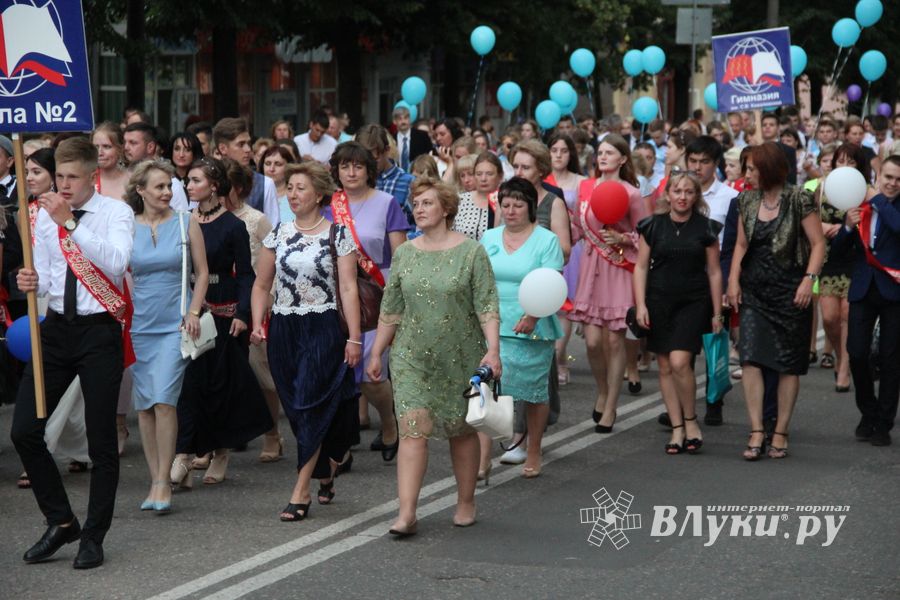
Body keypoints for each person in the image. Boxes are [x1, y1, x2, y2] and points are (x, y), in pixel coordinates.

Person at [11, 137, 135, 569]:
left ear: (91, 176)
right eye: (58, 176)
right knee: (24, 430)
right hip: (57, 331)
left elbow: (116, 264)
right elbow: (46, 280)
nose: (62, 185)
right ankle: (62, 521)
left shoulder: (115, 212)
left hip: (99, 332)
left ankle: (94, 536)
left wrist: (71, 225)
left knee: (101, 443)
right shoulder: (42, 216)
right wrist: (30, 283)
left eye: (71, 177)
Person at [366, 177, 500, 535]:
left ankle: (466, 501)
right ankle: (407, 513)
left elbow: (486, 304)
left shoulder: (472, 252)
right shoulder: (405, 253)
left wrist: (493, 350)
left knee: (461, 429)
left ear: (446, 209)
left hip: (460, 354)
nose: (419, 210)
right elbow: (391, 309)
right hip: (411, 356)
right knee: (413, 428)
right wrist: (377, 351)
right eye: (417, 204)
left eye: (427, 203)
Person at [250, 161, 361, 521]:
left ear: (318, 194)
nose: (293, 194)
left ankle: (301, 491)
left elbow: (348, 288)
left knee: (311, 403)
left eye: (300, 188)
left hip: (323, 326)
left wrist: (355, 339)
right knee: (295, 408)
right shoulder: (278, 233)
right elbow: (261, 285)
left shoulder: (337, 234)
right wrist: (257, 323)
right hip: (283, 328)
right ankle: (325, 469)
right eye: (290, 188)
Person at [172, 157, 272, 485]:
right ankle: (187, 452)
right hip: (193, 307)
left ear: (213, 186)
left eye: (196, 180)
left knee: (222, 386)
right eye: (188, 181)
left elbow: (246, 274)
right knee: (193, 384)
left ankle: (220, 452)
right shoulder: (183, 221)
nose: (189, 186)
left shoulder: (233, 226)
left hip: (226, 309)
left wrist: (243, 315)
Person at [727, 142, 826, 460]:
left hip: (791, 290)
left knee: (787, 365)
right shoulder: (745, 199)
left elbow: (818, 244)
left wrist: (808, 282)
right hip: (755, 290)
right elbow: (741, 244)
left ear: (769, 169)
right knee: (750, 359)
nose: (747, 174)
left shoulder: (799, 198)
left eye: (752, 169)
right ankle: (757, 429)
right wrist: (732, 282)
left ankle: (780, 431)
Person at [125, 160, 208, 511]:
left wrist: (193, 311)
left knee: (164, 399)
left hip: (176, 323)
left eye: (168, 186)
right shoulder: (128, 226)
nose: (166, 192)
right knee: (144, 405)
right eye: (158, 186)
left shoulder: (186, 221)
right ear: (140, 190)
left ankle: (163, 481)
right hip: (140, 324)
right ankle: (155, 475)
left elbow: (203, 273)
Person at [323, 142, 409, 460]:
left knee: (372, 373)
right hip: (336, 293)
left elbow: (401, 256)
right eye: (345, 166)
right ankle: (342, 447)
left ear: (369, 170)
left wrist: (399, 299)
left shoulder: (387, 203)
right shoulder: (328, 206)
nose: (351, 172)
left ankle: (389, 422)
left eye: (358, 166)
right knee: (339, 372)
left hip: (376, 295)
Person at [634, 172, 723, 454]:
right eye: (677, 191)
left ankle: (691, 420)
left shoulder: (707, 228)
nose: (682, 196)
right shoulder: (652, 226)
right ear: (668, 194)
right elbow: (640, 267)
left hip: (693, 302)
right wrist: (640, 305)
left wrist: (718, 312)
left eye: (688, 192)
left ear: (696, 196)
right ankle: (676, 428)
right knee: (663, 366)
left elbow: (714, 270)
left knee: (680, 362)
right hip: (658, 300)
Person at [481, 177, 563, 476]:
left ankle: (533, 449)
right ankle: (482, 457)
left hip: (532, 327)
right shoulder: (489, 238)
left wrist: (533, 315)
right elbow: (479, 280)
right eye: (506, 205)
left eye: (518, 204)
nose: (511, 210)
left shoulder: (546, 240)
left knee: (532, 393)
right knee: (486, 391)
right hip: (491, 324)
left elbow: (552, 283)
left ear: (531, 207)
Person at [569, 134, 650, 433]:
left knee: (615, 340)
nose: (602, 157)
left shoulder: (631, 193)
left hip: (618, 267)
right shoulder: (585, 187)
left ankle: (612, 404)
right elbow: (579, 226)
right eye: (600, 152)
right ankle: (602, 389)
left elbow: (643, 235)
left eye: (610, 153)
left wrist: (623, 237)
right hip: (592, 267)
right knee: (591, 342)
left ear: (623, 159)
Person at [831, 155, 900, 446]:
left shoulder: (885, 204)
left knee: (891, 359)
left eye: (898, 179)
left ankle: (884, 422)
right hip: (862, 287)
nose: (892, 183)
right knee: (856, 353)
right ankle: (867, 411)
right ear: (877, 177)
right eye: (887, 177)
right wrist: (847, 226)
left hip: (894, 290)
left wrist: (880, 201)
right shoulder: (858, 203)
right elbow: (837, 252)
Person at [223, 159, 282, 462]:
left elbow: (275, 260)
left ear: (241, 189)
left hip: (256, 304)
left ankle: (272, 433)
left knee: (262, 373)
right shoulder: (204, 219)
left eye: (226, 185)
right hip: (221, 304)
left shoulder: (256, 219)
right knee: (223, 374)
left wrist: (267, 301)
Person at [817, 143, 875, 393]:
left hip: (858, 258)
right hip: (831, 258)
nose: (845, 167)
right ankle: (842, 355)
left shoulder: (869, 193)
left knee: (847, 314)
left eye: (851, 162)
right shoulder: (822, 189)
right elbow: (809, 220)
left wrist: (851, 227)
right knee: (829, 317)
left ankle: (844, 369)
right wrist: (824, 227)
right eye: (841, 161)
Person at [546, 133, 586, 386]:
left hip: (571, 246)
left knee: (565, 307)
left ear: (571, 154)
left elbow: (585, 216)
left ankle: (560, 359)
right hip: (544, 245)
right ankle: (548, 359)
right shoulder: (542, 181)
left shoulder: (581, 181)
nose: (559, 155)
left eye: (564, 150)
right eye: (554, 150)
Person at [212, 117, 280, 227]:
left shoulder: (265, 184)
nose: (248, 149)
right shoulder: (205, 180)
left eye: (249, 143)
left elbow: (274, 231)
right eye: (241, 144)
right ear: (223, 148)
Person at [357, 124, 415, 224]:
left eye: (375, 159)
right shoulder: (356, 179)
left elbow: (420, 226)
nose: (369, 164)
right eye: (363, 161)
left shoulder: (408, 182)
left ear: (387, 150)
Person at [124, 122, 189, 210]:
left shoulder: (172, 183)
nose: (126, 147)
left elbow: (182, 220)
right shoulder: (120, 178)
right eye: (124, 142)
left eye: (133, 143)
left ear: (150, 147)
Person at [453, 152, 503, 241]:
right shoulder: (460, 200)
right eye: (479, 174)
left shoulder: (505, 201)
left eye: (489, 174)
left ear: (500, 176)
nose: (483, 179)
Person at [92, 122, 129, 201]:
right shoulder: (85, 180)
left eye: (106, 147)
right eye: (96, 147)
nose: (100, 152)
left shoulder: (133, 181)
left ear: (120, 149)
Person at [260, 145, 294, 223]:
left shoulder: (294, 195)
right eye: (268, 163)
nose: (271, 169)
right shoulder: (255, 193)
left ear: (289, 167)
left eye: (278, 164)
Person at [393, 105, 432, 171]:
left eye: (406, 118)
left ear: (410, 119)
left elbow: (430, 155)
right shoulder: (391, 138)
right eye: (400, 119)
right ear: (394, 121)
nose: (403, 122)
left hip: (419, 175)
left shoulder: (422, 136)